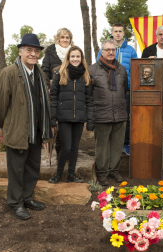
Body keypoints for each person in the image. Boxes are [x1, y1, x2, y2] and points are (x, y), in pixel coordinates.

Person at [0, 34, 52, 220]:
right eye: (29, 50)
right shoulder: (9, 72)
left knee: (32, 167)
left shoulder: (39, 73)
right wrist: (9, 126)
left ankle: (27, 197)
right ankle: (15, 203)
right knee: (16, 170)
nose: (33, 54)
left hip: (36, 131)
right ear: (20, 51)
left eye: (36, 51)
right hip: (18, 132)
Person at [48, 46, 94, 184]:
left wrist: (90, 120)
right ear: (68, 58)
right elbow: (53, 96)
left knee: (75, 148)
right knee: (66, 147)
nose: (75, 59)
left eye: (78, 56)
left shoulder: (86, 75)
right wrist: (53, 118)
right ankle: (59, 174)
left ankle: (71, 175)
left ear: (82, 58)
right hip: (64, 117)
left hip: (79, 117)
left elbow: (89, 100)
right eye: (72, 56)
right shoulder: (59, 73)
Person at [89, 40, 128, 186]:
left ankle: (114, 170)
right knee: (102, 146)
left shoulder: (122, 70)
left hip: (119, 113)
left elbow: (125, 88)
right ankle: (102, 173)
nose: (111, 52)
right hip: (101, 113)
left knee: (117, 145)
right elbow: (89, 94)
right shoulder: (92, 70)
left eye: (113, 50)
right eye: (107, 50)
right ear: (102, 51)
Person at [96, 23, 137, 156]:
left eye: (120, 31)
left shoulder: (130, 50)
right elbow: (98, 67)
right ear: (112, 33)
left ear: (123, 33)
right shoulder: (105, 49)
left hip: (125, 89)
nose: (118, 33)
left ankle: (125, 143)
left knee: (125, 117)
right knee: (107, 117)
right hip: (106, 89)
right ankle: (109, 144)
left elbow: (136, 69)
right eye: (115, 31)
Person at [41, 28, 74, 159]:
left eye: (67, 37)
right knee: (58, 123)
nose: (65, 40)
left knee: (69, 122)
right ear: (58, 39)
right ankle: (60, 151)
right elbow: (44, 70)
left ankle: (70, 150)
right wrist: (48, 86)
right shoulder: (50, 51)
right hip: (55, 91)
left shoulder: (74, 51)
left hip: (70, 92)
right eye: (63, 37)